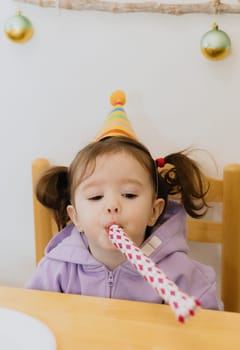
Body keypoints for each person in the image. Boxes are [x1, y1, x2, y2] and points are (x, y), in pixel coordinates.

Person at [26, 91, 223, 310]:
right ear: (76, 217)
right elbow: (33, 320)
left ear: (154, 211)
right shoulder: (57, 269)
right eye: (95, 197)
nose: (112, 205)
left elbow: (210, 331)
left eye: (129, 195)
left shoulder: (178, 272)